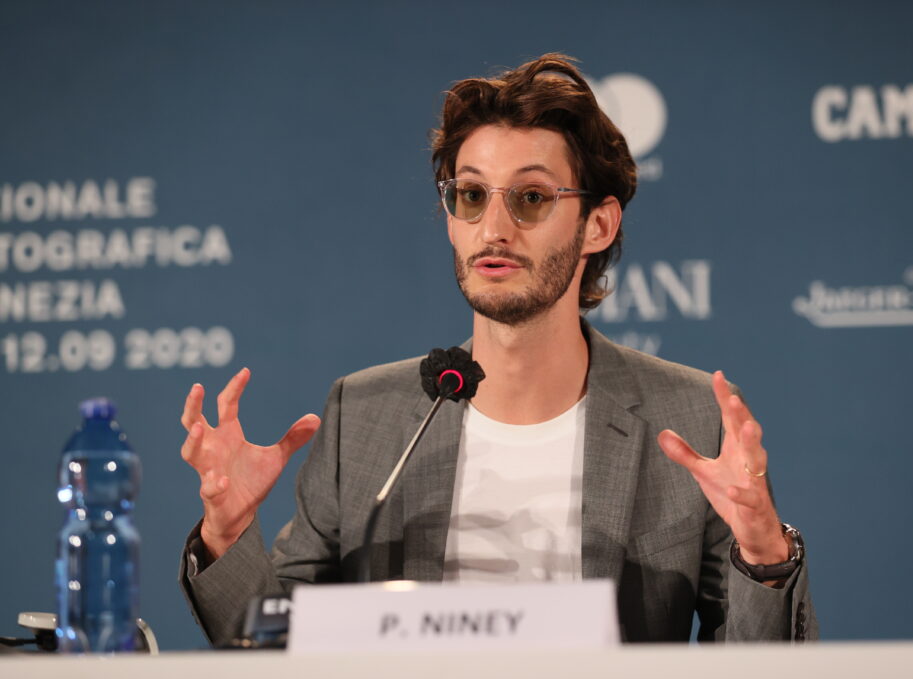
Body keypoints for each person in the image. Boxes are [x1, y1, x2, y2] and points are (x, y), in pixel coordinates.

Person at [178, 54, 816, 645]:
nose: (493, 228)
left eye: (532, 198)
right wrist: (228, 535)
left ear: (598, 224)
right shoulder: (368, 417)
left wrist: (764, 555)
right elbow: (278, 650)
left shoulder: (686, 417)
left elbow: (760, 671)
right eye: (472, 194)